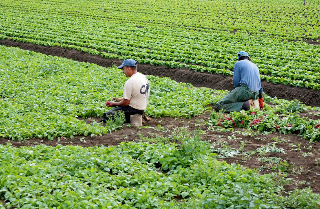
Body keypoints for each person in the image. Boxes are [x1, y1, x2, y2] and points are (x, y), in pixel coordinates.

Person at [101, 59, 150, 123]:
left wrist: (114, 103)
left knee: (107, 115)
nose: (123, 71)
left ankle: (132, 119)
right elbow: (136, 95)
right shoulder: (143, 77)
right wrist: (119, 99)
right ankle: (140, 116)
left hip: (133, 109)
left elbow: (126, 103)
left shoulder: (130, 82)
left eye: (123, 69)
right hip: (141, 108)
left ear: (128, 68)